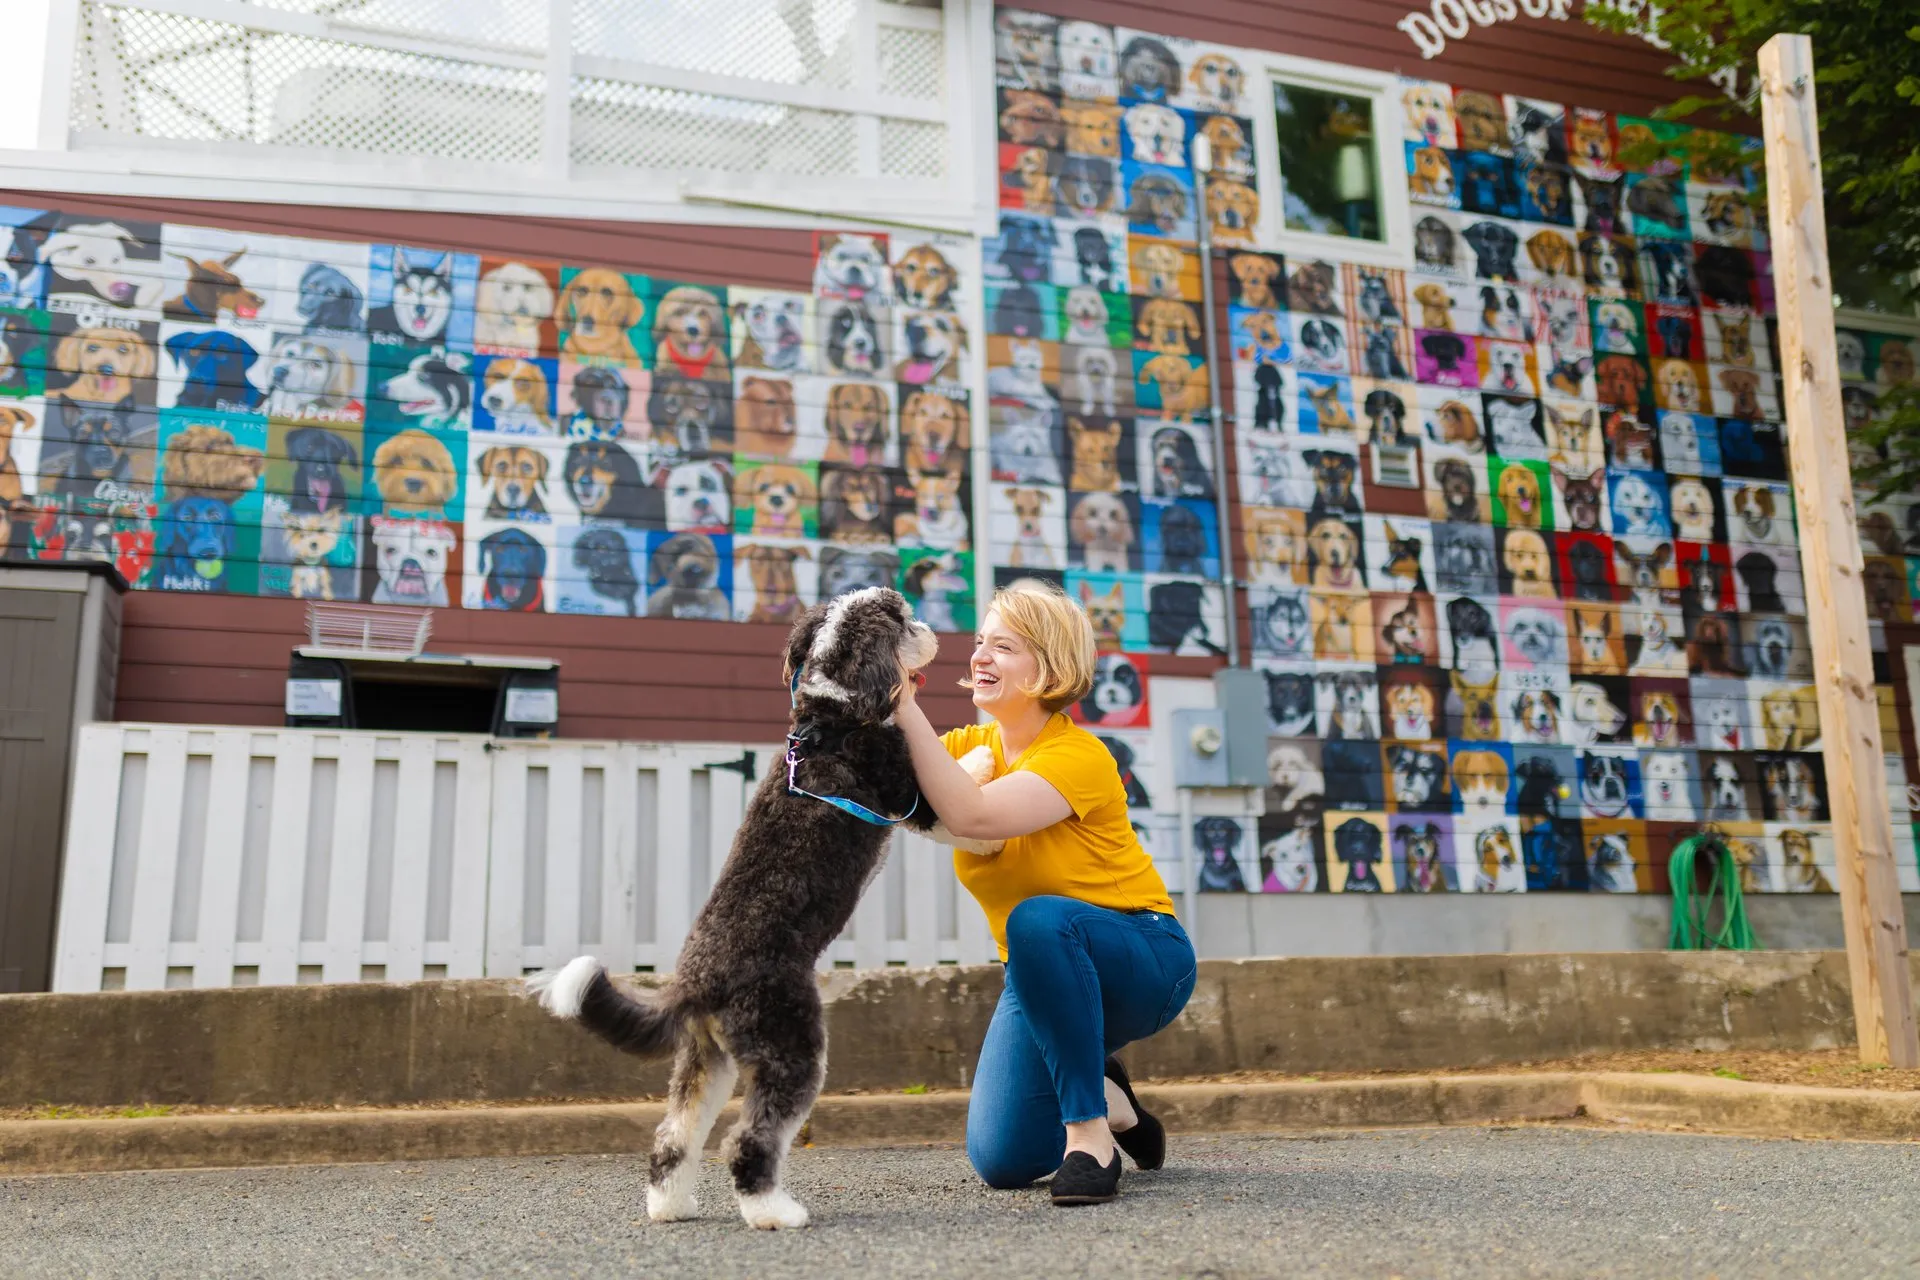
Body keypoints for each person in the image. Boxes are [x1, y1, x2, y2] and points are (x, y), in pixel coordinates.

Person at [894, 580, 1197, 1205]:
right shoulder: (964, 749)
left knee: (1038, 920)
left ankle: (1090, 1141)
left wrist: (904, 706)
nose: (979, 656)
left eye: (1002, 646)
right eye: (980, 642)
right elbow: (880, 776)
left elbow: (973, 817)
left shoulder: (1080, 755)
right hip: (1037, 974)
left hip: (1143, 958)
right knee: (1002, 1160)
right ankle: (1113, 1103)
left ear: (1050, 667)